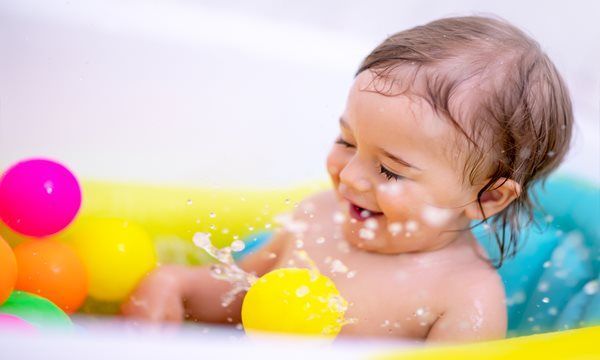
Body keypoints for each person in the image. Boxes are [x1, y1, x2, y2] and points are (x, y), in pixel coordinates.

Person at [122, 16, 573, 343]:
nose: (351, 177)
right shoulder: (317, 217)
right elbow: (235, 296)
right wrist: (175, 285)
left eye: (390, 170)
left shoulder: (464, 299)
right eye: (347, 141)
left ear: (487, 199)